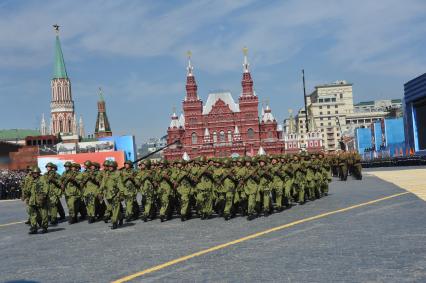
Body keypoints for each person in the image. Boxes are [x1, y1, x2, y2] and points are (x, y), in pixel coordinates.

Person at [101, 161, 124, 229]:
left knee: (115, 209)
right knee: (111, 208)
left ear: (114, 167)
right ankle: (121, 216)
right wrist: (100, 192)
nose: (110, 168)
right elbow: (103, 183)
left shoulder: (117, 174)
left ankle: (114, 222)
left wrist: (122, 193)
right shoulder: (106, 174)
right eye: (109, 167)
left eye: (111, 167)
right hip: (108, 194)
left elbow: (120, 184)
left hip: (116, 194)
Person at [27, 167, 49, 234]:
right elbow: (28, 189)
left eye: (36, 173)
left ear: (39, 173)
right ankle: (34, 228)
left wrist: (43, 196)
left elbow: (46, 188)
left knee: (44, 214)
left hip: (41, 199)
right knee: (32, 214)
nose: (35, 174)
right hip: (32, 200)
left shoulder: (43, 179)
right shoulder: (31, 180)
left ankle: (44, 227)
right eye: (34, 173)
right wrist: (26, 196)